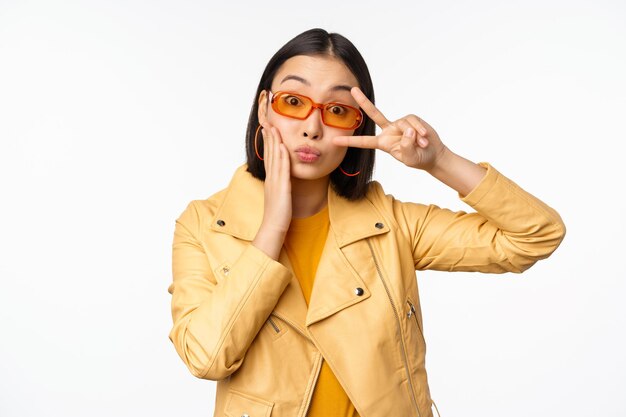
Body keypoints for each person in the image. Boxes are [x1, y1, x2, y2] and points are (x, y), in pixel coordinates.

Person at [167, 28, 566, 417]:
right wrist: (272, 226)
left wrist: (439, 160)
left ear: (358, 124)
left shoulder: (390, 223)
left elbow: (536, 234)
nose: (312, 127)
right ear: (264, 107)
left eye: (337, 110)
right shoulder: (203, 225)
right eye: (293, 101)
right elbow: (205, 357)